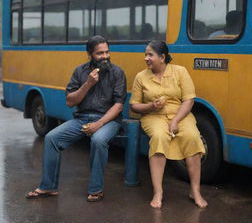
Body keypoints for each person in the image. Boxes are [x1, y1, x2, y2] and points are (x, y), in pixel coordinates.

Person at [25, 35, 127, 202]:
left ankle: (96, 190)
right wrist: (88, 84)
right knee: (51, 138)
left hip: (108, 120)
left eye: (107, 52)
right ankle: (48, 187)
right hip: (82, 118)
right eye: (100, 53)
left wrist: (98, 124)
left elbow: (118, 106)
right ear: (89, 54)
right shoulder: (80, 71)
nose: (105, 56)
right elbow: (70, 101)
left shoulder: (117, 72)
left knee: (98, 140)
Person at [129, 40, 208, 209]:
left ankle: (195, 191)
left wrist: (175, 120)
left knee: (192, 137)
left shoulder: (180, 72)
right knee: (159, 137)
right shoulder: (141, 77)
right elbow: (134, 106)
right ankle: (158, 192)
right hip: (153, 116)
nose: (146, 58)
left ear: (162, 57)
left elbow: (189, 99)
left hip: (180, 114)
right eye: (145, 54)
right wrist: (151, 106)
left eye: (150, 55)